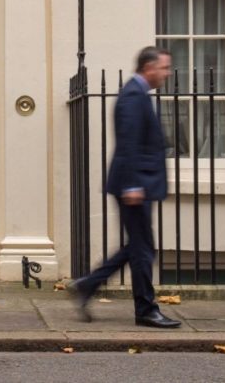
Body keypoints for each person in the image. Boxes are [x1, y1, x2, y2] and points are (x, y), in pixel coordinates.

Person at [68, 46, 181, 329]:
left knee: (139, 247)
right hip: (134, 184)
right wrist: (132, 184)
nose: (167, 74)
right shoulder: (133, 96)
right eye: (164, 68)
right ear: (149, 67)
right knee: (142, 250)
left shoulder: (138, 94)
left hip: (139, 182)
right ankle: (145, 309)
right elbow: (128, 143)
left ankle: (88, 284)